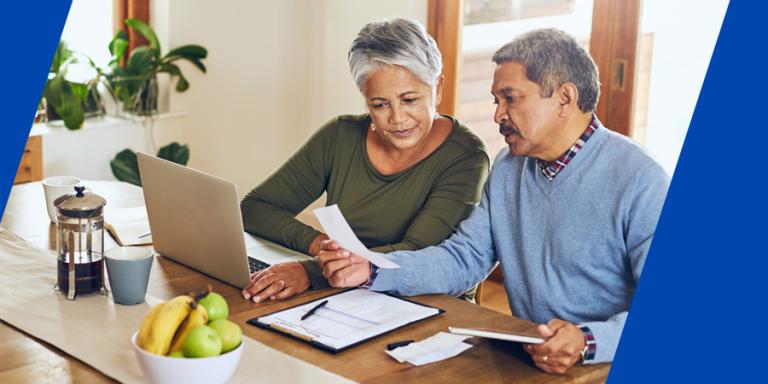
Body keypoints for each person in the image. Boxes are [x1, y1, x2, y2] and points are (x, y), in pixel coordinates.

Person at [317, 28, 670, 374]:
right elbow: (464, 258)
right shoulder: (508, 167)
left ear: (564, 98)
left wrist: (587, 341)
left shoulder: (641, 179)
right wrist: (373, 269)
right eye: (495, 100)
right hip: (531, 361)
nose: (498, 115)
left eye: (511, 98)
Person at [240, 18, 489, 304]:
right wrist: (322, 247)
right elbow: (255, 208)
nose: (397, 119)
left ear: (438, 88)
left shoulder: (466, 157)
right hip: (345, 297)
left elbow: (418, 253)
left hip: (426, 305)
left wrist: (312, 271)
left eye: (410, 100)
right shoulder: (340, 136)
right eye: (379, 105)